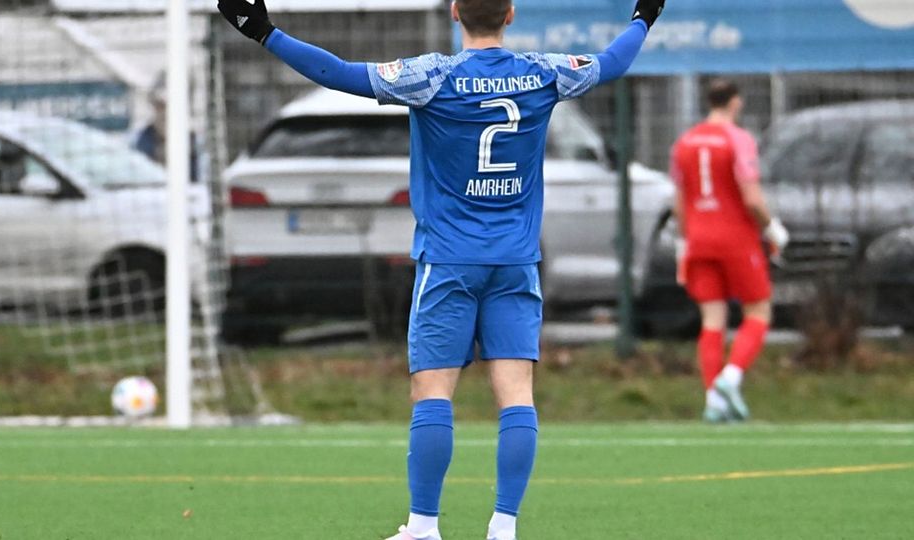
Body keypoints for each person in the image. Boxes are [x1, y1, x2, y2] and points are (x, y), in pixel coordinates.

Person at [217, 0, 665, 538]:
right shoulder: (543, 74)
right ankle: (504, 526)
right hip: (516, 263)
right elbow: (612, 62)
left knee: (433, 393)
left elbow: (336, 72)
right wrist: (644, 17)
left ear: (455, 12)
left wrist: (264, 32)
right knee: (516, 394)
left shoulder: (431, 77)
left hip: (449, 262)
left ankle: (424, 526)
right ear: (511, 14)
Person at [669, 80, 790, 423]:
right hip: (735, 238)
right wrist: (772, 228)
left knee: (712, 319)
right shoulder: (738, 139)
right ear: (735, 103)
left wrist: (683, 242)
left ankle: (713, 400)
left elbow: (678, 204)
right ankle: (730, 378)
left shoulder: (685, 142)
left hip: (698, 238)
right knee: (759, 311)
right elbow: (751, 198)